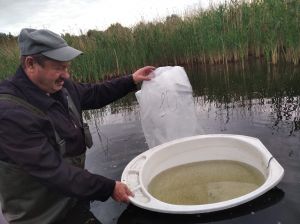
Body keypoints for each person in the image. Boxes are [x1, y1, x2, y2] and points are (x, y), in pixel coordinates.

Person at [0, 28, 154, 224]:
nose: (66, 75)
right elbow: (54, 172)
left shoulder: (60, 86)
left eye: (67, 67)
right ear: (30, 64)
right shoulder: (9, 115)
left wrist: (131, 80)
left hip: (74, 199)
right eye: (59, 68)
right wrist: (108, 187)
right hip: (43, 217)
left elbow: (95, 93)